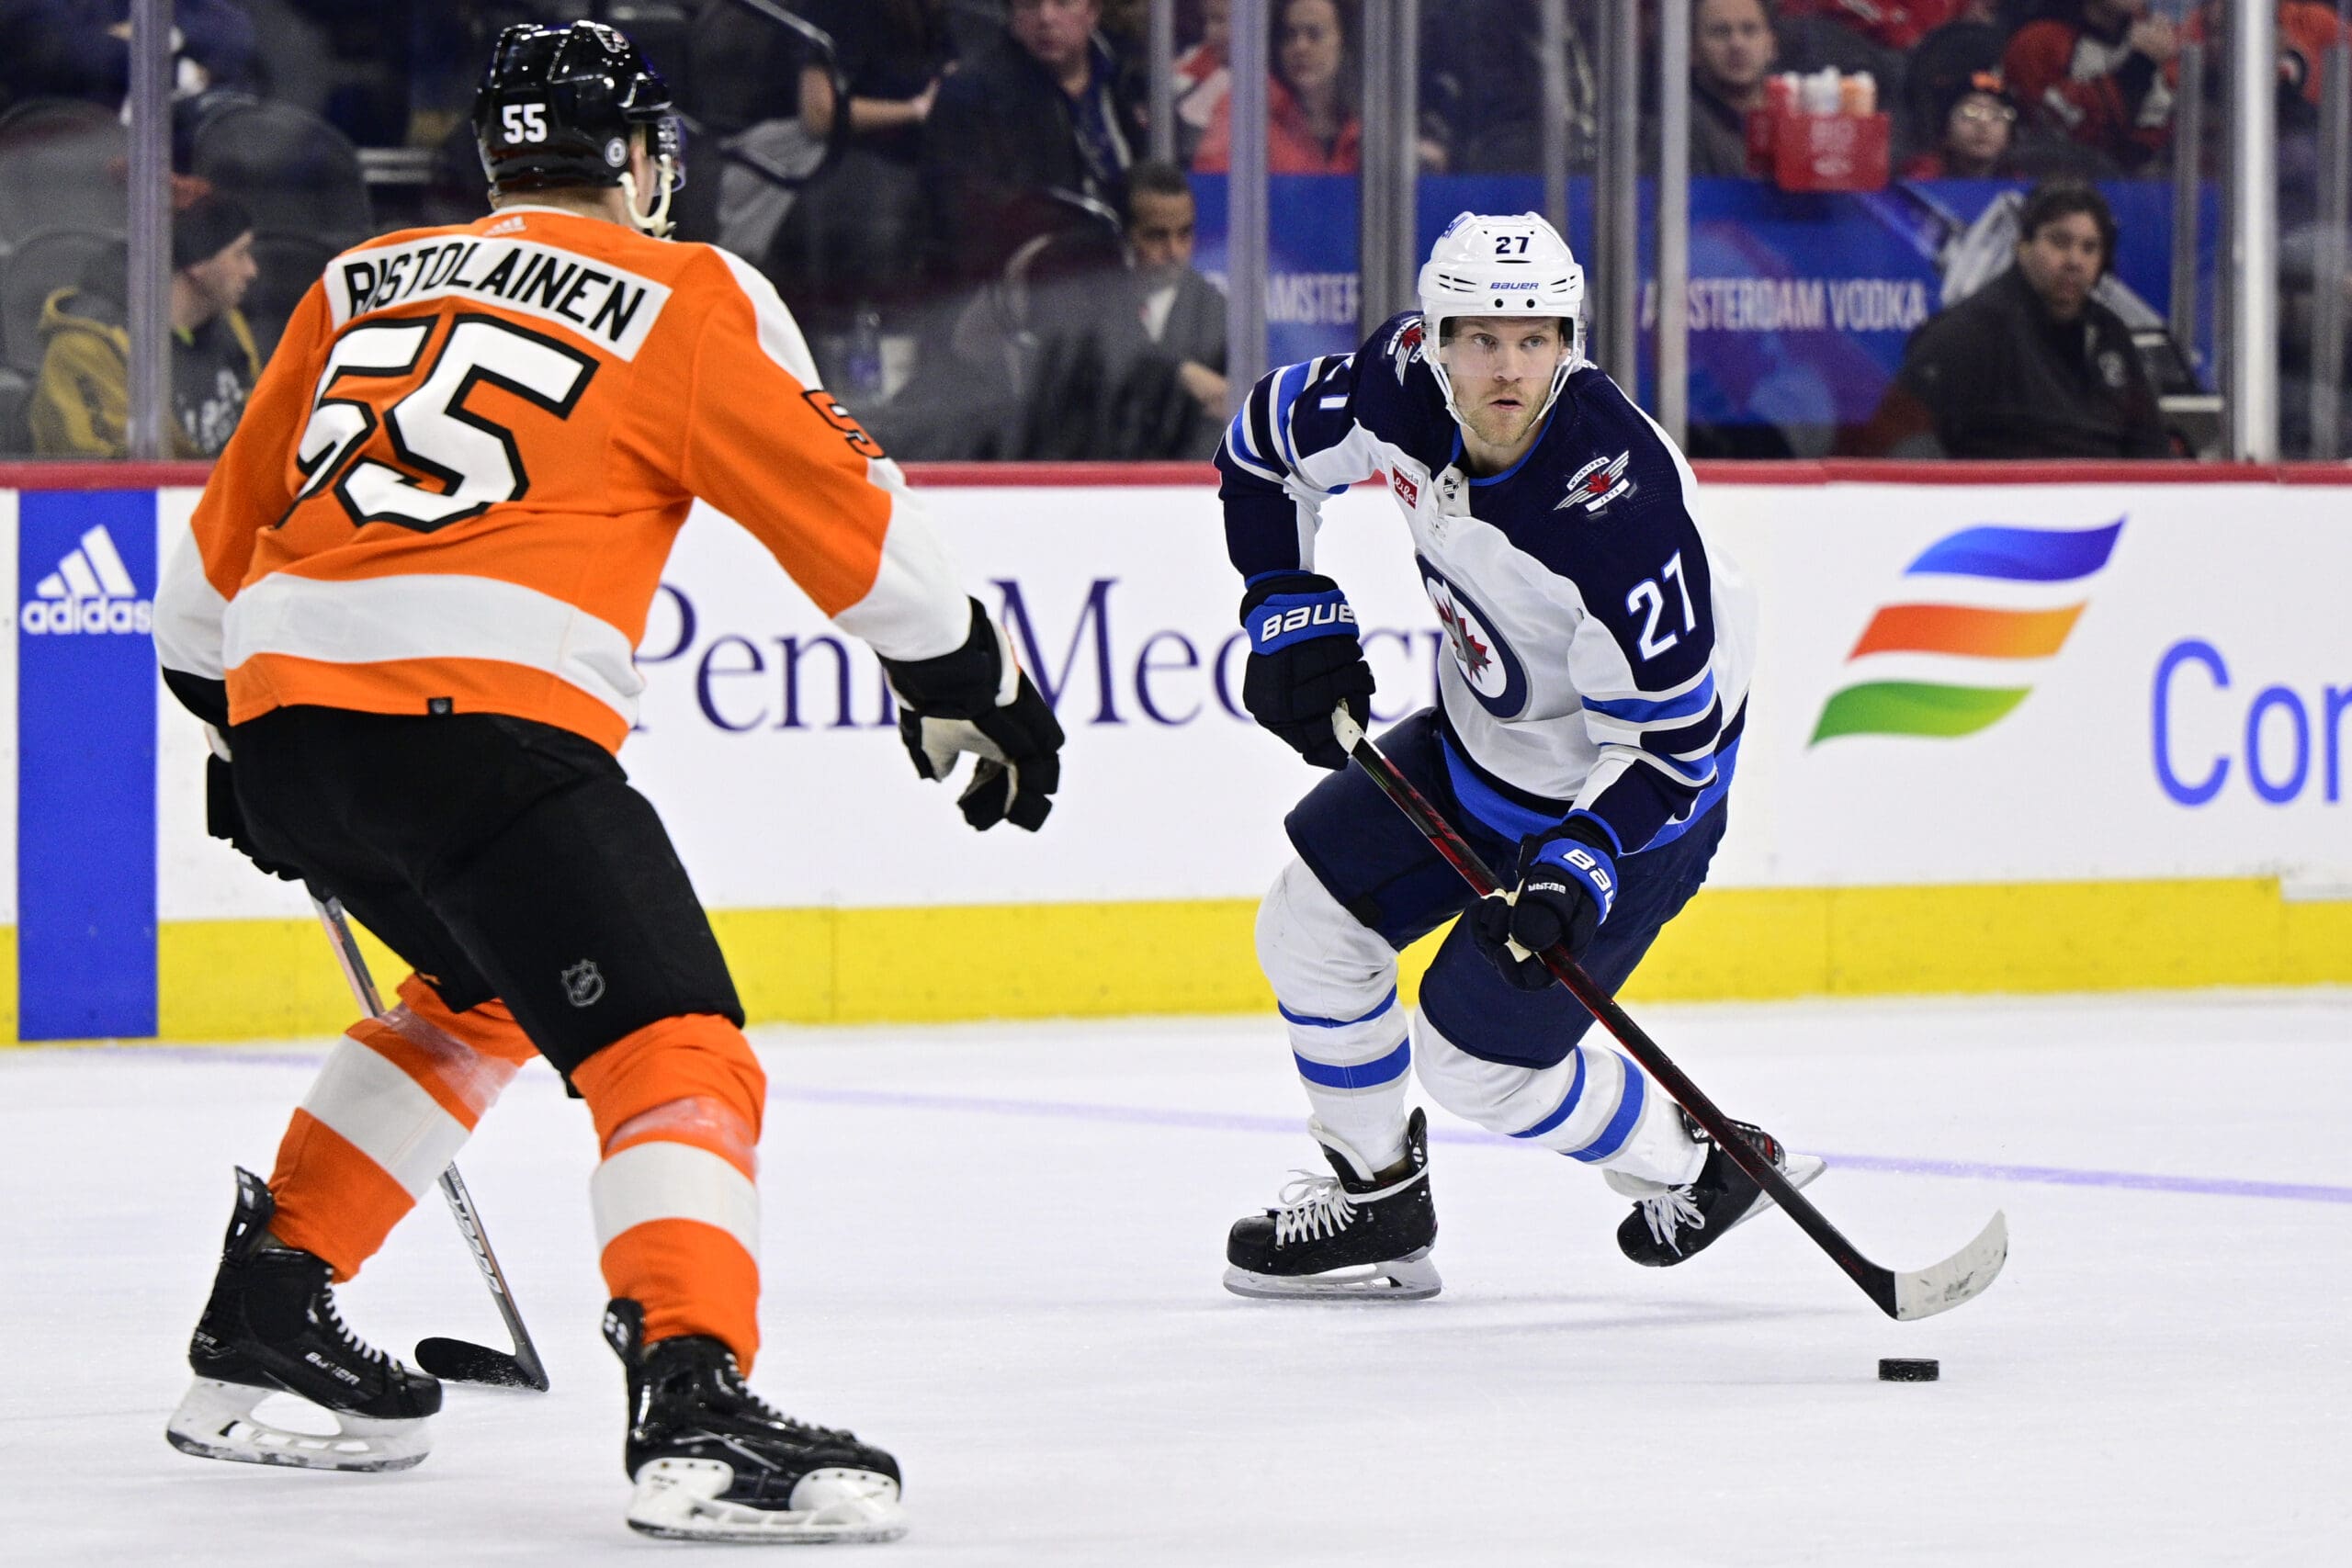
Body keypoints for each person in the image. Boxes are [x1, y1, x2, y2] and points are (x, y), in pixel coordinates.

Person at [153, 19, 1065, 1545]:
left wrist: (258, 745)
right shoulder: (689, 286)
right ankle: (695, 1392)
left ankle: (270, 1307)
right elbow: (846, 517)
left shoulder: (353, 282)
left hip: (290, 718)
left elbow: (197, 610)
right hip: (482, 726)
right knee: (678, 1049)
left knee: (480, 987)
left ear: (497, 164)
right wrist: (975, 682)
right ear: (640, 161)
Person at [1212, 211, 1822, 1303]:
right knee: (1307, 931)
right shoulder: (1393, 386)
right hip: (1482, 748)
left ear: (1569, 341)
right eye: (1480, 337)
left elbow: (1674, 746)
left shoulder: (1618, 509)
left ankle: (1692, 1172)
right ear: (1435, 336)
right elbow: (1261, 451)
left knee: (1475, 1063)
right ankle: (1376, 1206)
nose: (1507, 367)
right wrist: (1285, 600)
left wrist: (1577, 863)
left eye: (1534, 338)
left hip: (1638, 800)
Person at [1860, 180, 2170, 457]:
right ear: (2022, 245)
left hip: (2110, 507)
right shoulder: (1968, 332)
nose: (2075, 261)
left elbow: (2150, 449)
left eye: (2090, 248)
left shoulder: (2110, 334)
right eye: (2059, 242)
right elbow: (1896, 442)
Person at [921, 0, 1144, 286]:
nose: (1046, 18)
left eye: (1063, 3)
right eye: (1029, 4)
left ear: (1093, 11)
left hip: (1135, 270)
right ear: (1012, 15)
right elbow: (962, 216)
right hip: (1031, 285)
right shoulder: (971, 95)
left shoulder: (1129, 78)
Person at [29, 189, 259, 457]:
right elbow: (104, 477)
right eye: (240, 254)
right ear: (198, 264)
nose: (252, 270)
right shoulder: (85, 348)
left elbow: (260, 424)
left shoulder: (228, 323)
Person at [2004, 0, 2177, 173]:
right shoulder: (2038, 42)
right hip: (2056, 183)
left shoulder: (2158, 43)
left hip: (2141, 187)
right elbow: (2063, 125)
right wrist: (2138, 69)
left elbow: (2163, 127)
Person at [1192, 0, 1362, 174]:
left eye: (1314, 34)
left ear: (1344, 42)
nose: (1300, 47)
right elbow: (1215, 187)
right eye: (1289, 35)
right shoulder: (1244, 109)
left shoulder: (1368, 115)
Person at [1124, 160, 1226, 444]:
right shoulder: (1092, 306)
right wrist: (1179, 372)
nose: (1174, 251)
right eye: (1157, 236)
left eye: (1185, 234)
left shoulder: (1219, 317)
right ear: (1126, 234)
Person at [1690, 0, 1779, 178]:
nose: (1737, 44)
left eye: (1749, 29)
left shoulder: (1797, 117)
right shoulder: (1680, 130)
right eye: (1720, 32)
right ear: (1693, 50)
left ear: (1771, 45)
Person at [1900, 69, 2020, 178]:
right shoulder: (1920, 180)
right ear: (1945, 129)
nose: (1983, 125)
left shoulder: (2021, 188)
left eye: (1995, 116)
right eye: (1970, 114)